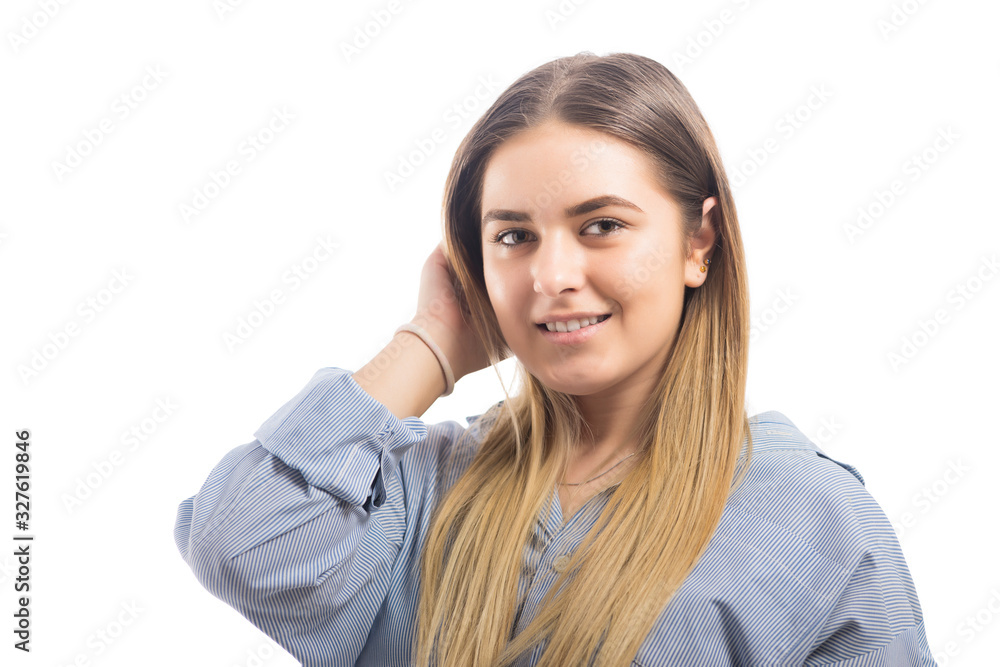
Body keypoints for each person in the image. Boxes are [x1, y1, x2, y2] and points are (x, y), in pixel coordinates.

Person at [174, 52, 935, 666]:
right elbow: (237, 541)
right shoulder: (416, 486)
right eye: (514, 235)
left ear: (698, 242)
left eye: (601, 224)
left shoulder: (816, 524)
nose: (551, 276)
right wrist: (434, 338)